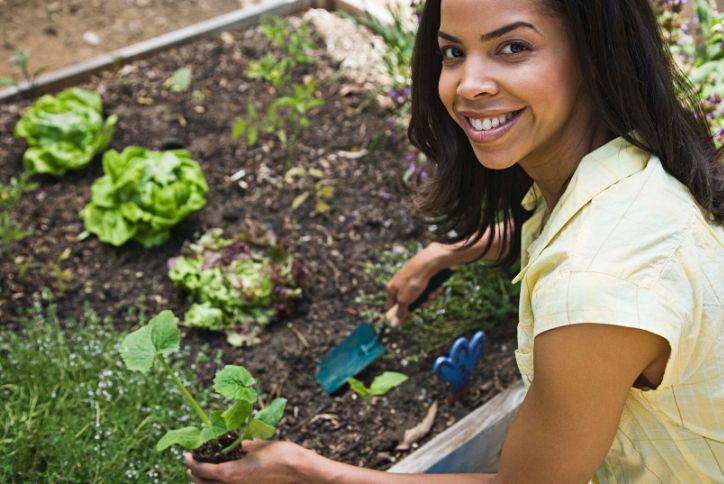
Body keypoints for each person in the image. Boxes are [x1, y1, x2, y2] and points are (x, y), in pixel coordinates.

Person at [185, 0, 724, 481]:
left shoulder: (594, 293)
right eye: (452, 52)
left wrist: (306, 470)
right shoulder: (634, 164)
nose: (468, 84)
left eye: (513, 47)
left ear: (593, 56)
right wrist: (451, 251)